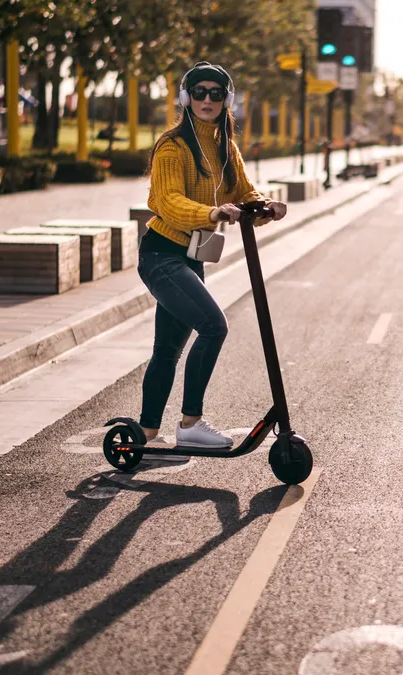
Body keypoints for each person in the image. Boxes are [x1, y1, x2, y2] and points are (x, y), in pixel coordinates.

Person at [138, 62, 287, 448]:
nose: (207, 100)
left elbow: (244, 190)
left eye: (216, 93)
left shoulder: (225, 147)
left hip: (191, 257)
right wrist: (212, 212)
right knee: (213, 326)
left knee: (167, 349)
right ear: (186, 97)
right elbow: (166, 201)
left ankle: (146, 434)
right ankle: (190, 424)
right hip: (162, 253)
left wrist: (265, 205)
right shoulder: (172, 146)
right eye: (199, 92)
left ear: (227, 101)